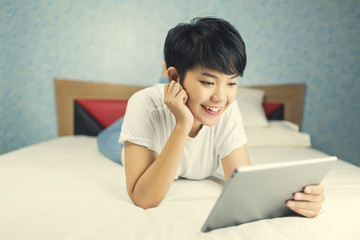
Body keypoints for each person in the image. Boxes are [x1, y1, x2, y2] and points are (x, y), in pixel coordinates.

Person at [119, 17, 324, 217]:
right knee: (111, 141)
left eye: (231, 83)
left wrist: (298, 201)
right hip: (133, 133)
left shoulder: (227, 109)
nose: (220, 98)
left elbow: (244, 186)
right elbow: (144, 200)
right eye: (208, 82)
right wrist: (182, 126)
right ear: (174, 77)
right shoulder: (143, 104)